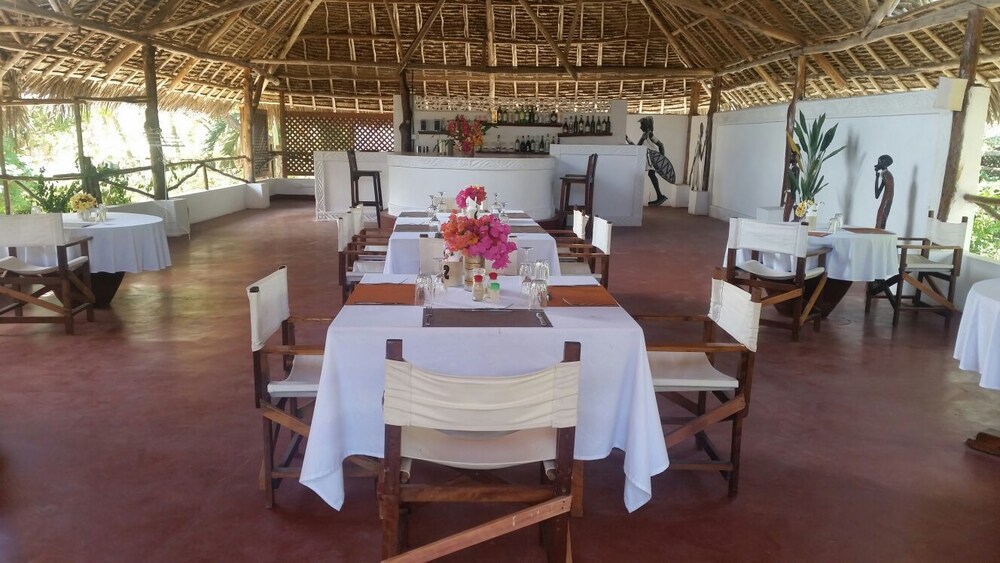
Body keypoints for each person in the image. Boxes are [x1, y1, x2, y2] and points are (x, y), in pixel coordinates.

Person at [628, 117, 670, 206]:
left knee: (647, 174)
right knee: (651, 174)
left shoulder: (649, 134)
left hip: (652, 158)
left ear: (645, 125)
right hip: (649, 158)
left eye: (641, 125)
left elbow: (661, 145)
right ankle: (660, 196)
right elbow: (638, 147)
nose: (640, 127)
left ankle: (659, 196)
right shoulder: (645, 135)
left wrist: (662, 159)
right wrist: (628, 139)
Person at [874, 154, 894, 230]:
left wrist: (877, 177)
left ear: (885, 163)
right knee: (880, 224)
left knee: (880, 224)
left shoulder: (886, 174)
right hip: (885, 204)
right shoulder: (885, 174)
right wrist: (877, 178)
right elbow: (877, 194)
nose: (878, 164)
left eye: (879, 162)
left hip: (885, 204)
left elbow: (889, 194)